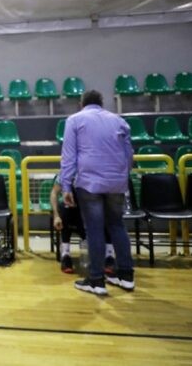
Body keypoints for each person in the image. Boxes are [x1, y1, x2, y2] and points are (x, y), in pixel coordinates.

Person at [60, 89, 134, 296]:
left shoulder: (75, 120)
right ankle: (126, 276)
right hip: (117, 182)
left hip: (89, 182)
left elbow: (69, 156)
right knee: (117, 226)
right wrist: (122, 177)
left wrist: (66, 186)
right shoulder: (119, 121)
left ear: (81, 104)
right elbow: (129, 156)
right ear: (102, 103)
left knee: (94, 230)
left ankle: (96, 279)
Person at [49, 175, 116, 274]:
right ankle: (65, 255)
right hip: (74, 212)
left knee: (107, 212)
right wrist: (56, 216)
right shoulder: (67, 173)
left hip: (93, 210)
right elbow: (54, 193)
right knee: (64, 209)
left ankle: (109, 256)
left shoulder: (96, 172)